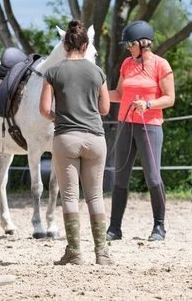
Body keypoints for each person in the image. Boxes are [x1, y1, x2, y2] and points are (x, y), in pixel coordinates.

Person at [39, 20, 112, 266]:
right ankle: (102, 253)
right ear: (85, 45)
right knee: (95, 196)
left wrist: (59, 116)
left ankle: (75, 252)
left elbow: (44, 110)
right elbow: (104, 109)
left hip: (66, 139)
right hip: (95, 139)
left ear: (66, 45)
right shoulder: (97, 72)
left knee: (69, 196)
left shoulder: (52, 72)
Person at [106, 20, 175, 242]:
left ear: (143, 43)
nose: (128, 48)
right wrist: (97, 96)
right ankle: (114, 228)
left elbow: (170, 98)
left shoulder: (161, 65)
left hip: (150, 126)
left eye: (130, 44)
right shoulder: (127, 64)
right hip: (125, 124)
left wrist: (147, 104)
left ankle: (159, 226)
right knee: (120, 176)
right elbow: (118, 93)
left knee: (153, 177)